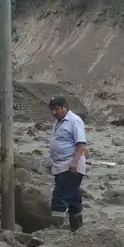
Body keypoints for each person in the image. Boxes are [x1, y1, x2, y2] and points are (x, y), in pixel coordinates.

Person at [48, 96, 88, 232]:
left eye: (56, 109)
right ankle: (77, 230)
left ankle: (54, 231)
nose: (54, 113)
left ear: (64, 107)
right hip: (60, 166)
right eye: (51, 110)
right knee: (73, 198)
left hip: (70, 166)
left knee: (60, 198)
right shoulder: (60, 121)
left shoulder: (74, 121)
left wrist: (74, 162)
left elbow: (81, 143)